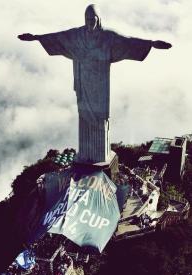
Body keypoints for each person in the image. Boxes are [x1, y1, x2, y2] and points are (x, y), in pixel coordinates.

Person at [18, 4, 171, 163]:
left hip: (100, 85)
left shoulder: (108, 37)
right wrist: (36, 37)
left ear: (99, 20)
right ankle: (86, 155)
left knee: (100, 118)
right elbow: (58, 37)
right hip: (84, 83)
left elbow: (128, 42)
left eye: (93, 19)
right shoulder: (77, 35)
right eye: (88, 19)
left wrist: (151, 44)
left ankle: (99, 156)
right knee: (84, 116)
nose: (90, 22)